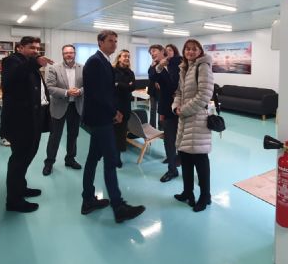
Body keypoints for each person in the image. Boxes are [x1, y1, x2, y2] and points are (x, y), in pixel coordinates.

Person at [81, 30, 145, 223]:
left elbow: (107, 91)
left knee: (93, 159)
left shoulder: (103, 61)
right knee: (110, 162)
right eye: (110, 41)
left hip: (101, 117)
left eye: (116, 41)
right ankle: (119, 207)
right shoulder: (95, 62)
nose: (114, 44)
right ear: (100, 42)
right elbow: (97, 94)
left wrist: (113, 110)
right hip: (101, 119)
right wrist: (113, 112)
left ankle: (88, 200)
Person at [0, 36, 54, 213]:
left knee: (27, 157)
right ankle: (14, 201)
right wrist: (35, 63)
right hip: (20, 123)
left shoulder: (29, 63)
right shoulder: (11, 61)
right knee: (19, 161)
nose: (35, 51)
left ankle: (20, 188)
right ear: (20, 48)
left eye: (37, 48)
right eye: (31, 47)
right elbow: (11, 79)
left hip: (33, 120)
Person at [171, 39, 214, 212]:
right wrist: (176, 107)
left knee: (200, 160)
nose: (190, 52)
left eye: (194, 49)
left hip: (198, 120)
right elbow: (179, 92)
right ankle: (187, 192)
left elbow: (204, 95)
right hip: (184, 119)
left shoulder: (203, 67)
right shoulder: (185, 68)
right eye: (187, 49)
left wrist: (183, 110)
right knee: (185, 158)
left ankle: (205, 196)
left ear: (200, 51)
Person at [42, 44, 84, 176]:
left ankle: (70, 159)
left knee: (73, 135)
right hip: (59, 106)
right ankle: (49, 163)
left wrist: (80, 91)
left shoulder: (83, 68)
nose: (69, 55)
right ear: (62, 54)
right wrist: (67, 92)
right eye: (66, 53)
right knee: (55, 136)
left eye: (71, 52)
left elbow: (88, 85)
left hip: (75, 106)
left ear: (75, 53)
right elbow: (49, 87)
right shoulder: (54, 68)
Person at [149, 43, 181, 182]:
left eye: (154, 51)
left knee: (184, 140)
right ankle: (172, 169)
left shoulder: (177, 62)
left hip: (183, 107)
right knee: (169, 140)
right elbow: (152, 77)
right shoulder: (154, 68)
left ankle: (182, 161)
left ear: (163, 52)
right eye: (151, 53)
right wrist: (158, 66)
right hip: (167, 109)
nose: (152, 54)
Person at [112, 49, 136, 167]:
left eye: (128, 56)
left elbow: (133, 87)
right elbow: (112, 85)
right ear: (119, 58)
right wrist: (126, 85)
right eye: (124, 56)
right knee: (112, 132)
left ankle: (117, 158)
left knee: (121, 134)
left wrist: (119, 84)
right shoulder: (112, 70)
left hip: (125, 106)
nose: (127, 58)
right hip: (114, 106)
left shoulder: (130, 72)